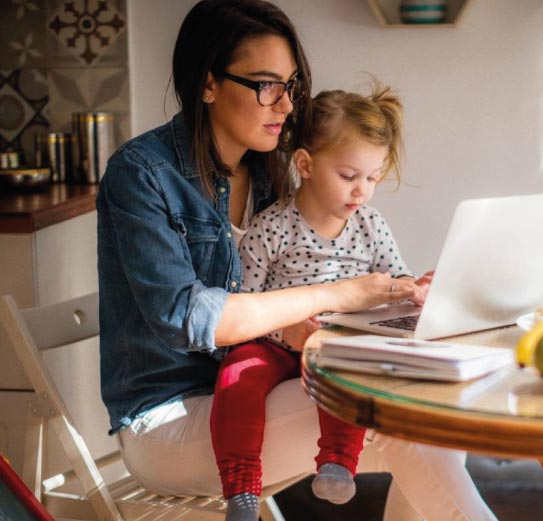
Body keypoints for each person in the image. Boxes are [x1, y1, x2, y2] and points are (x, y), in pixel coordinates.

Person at [95, 1, 497, 520]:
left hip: (264, 388)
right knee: (397, 414)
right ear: (208, 84)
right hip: (173, 416)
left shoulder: (268, 173)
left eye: (291, 87)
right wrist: (338, 295)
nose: (285, 106)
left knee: (430, 421)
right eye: (266, 85)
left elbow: (296, 286)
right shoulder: (142, 174)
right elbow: (189, 319)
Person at [212, 81, 432, 508]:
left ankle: (337, 463)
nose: (361, 191)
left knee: (347, 371)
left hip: (337, 344)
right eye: (349, 176)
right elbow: (245, 310)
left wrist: (414, 288)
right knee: (237, 375)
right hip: (274, 344)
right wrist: (287, 335)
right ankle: (241, 490)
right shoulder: (271, 226)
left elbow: (394, 280)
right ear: (306, 164)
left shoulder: (370, 225)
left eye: (372, 178)